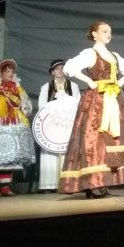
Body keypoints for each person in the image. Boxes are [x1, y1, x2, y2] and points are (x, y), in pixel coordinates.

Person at [60, 21, 124, 198]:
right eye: (104, 31)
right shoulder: (90, 53)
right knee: (94, 139)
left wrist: (119, 82)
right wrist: (89, 81)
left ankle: (103, 179)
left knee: (111, 139)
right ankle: (92, 181)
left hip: (114, 98)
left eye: (110, 31)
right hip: (97, 100)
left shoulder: (114, 55)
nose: (109, 34)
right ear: (94, 34)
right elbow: (69, 68)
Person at [0, 59, 35, 197]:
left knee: (11, 154)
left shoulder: (17, 87)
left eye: (12, 71)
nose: (10, 73)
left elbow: (25, 103)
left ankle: (5, 186)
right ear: (0, 73)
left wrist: (24, 109)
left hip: (15, 120)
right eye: (7, 71)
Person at [36, 59, 81, 193]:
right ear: (53, 72)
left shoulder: (73, 86)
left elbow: (78, 104)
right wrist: (55, 107)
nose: (60, 71)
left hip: (68, 124)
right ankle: (50, 184)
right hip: (52, 125)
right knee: (51, 151)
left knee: (67, 150)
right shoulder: (46, 87)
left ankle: (68, 182)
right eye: (57, 69)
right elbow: (42, 106)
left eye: (62, 68)